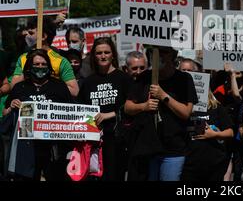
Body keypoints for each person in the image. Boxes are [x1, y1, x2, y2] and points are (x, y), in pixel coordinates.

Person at [125, 46, 197, 181]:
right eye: (154, 52)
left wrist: (163, 96)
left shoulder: (184, 79)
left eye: (163, 52)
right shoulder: (144, 77)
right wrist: (144, 106)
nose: (158, 55)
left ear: (173, 55)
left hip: (173, 150)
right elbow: (128, 107)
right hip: (148, 149)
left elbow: (186, 113)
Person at [3, 49, 72, 181]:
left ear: (48, 66)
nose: (40, 67)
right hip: (27, 147)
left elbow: (71, 112)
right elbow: (5, 112)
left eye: (43, 64)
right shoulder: (20, 87)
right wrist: (11, 106)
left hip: (53, 147)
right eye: (36, 64)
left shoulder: (59, 86)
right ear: (29, 66)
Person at [77, 37, 132, 181]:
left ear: (113, 54)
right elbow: (81, 109)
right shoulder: (88, 82)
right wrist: (91, 121)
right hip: (93, 140)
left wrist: (108, 115)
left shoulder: (123, 78)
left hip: (116, 139)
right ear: (93, 56)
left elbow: (131, 106)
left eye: (106, 52)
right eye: (99, 53)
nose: (103, 56)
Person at [11, 18, 79, 97]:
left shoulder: (60, 61)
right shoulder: (23, 58)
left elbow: (74, 91)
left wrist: (48, 86)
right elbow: (13, 86)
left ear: (43, 36)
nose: (27, 36)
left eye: (31, 33)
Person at [181, 91, 234, 181]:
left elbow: (230, 132)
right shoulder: (184, 108)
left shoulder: (216, 107)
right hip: (190, 163)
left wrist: (215, 134)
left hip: (213, 163)